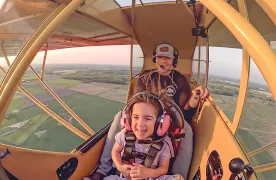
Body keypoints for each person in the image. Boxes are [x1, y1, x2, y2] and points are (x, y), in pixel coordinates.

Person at [84, 42, 209, 180]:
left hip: (167, 120)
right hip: (145, 114)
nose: (163, 60)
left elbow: (185, 111)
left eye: (167, 58)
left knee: (187, 128)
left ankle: (178, 176)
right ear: (155, 59)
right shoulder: (145, 76)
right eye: (160, 57)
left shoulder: (180, 80)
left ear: (174, 61)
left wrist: (196, 96)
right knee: (119, 115)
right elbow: (136, 101)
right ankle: (102, 170)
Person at [104, 92, 184, 180]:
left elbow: (163, 169)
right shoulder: (124, 135)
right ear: (129, 119)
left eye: (148, 118)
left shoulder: (164, 143)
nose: (140, 124)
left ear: (159, 123)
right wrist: (120, 167)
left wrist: (147, 173)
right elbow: (115, 151)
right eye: (135, 117)